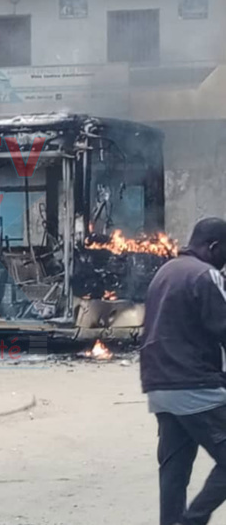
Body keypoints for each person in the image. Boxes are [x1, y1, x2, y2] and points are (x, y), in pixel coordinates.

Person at [141, 217, 226, 525]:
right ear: (214, 247)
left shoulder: (164, 272)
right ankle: (193, 520)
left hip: (158, 384)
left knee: (174, 470)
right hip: (194, 384)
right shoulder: (206, 275)